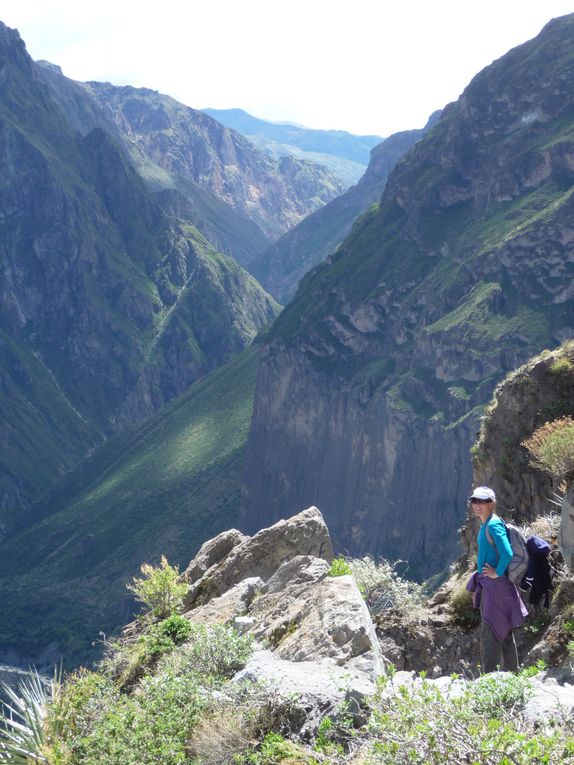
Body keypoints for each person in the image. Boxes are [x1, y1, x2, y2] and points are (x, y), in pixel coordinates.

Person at [466, 486, 528, 673]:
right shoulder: (488, 524)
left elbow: (507, 552)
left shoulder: (492, 525)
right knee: (505, 631)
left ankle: (489, 680)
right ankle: (513, 674)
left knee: (490, 632)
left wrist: (497, 572)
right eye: (475, 501)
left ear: (492, 504)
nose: (477, 505)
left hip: (495, 586)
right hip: (494, 585)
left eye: (483, 502)